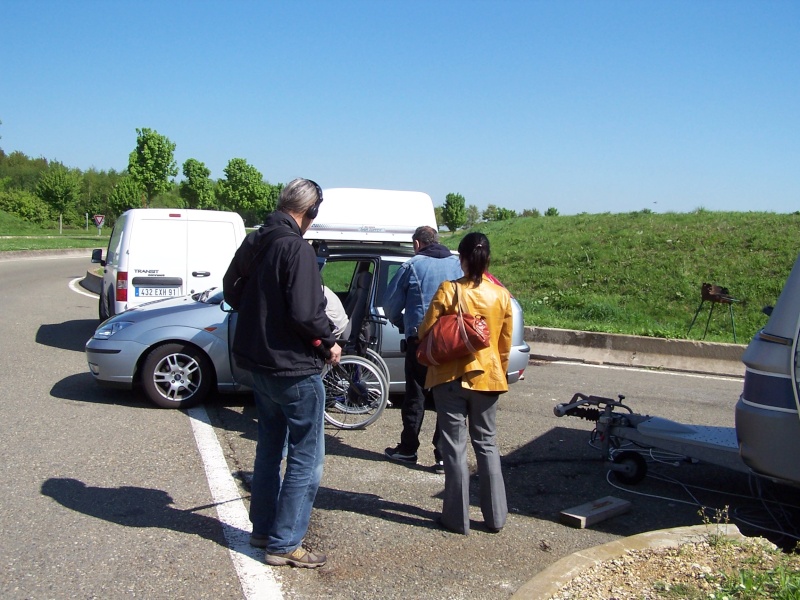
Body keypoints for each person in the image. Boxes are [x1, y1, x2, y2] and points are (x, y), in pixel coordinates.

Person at [231, 178, 342, 568]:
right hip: (294, 370)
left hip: (259, 366)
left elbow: (231, 291)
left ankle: (262, 529)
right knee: (305, 458)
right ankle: (284, 543)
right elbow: (306, 314)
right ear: (310, 212)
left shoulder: (256, 240)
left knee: (268, 449)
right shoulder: (296, 248)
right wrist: (329, 343)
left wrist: (264, 307)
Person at [418, 232, 512, 535]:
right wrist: (498, 372)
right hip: (488, 378)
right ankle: (496, 517)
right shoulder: (502, 295)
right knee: (487, 445)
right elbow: (504, 343)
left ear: (461, 258)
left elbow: (425, 331)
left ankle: (457, 519)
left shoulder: (450, 290)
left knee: (454, 447)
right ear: (487, 259)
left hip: (450, 377)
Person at [383, 225, 463, 470]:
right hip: (452, 343)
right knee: (447, 399)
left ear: (417, 244)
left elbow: (390, 306)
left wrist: (403, 324)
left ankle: (408, 450)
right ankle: (442, 455)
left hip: (421, 341)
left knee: (415, 396)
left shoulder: (412, 265)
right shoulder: (458, 264)